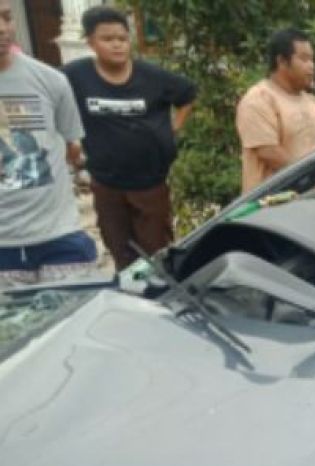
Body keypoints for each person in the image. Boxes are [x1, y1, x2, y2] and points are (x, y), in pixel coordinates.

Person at [63, 6, 196, 269]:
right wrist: (69, 142)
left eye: (122, 39)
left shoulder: (152, 76)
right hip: (106, 182)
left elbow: (188, 94)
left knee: (157, 253)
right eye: (108, 39)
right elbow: (53, 96)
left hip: (150, 183)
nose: (117, 46)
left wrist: (173, 129)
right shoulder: (76, 75)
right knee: (119, 249)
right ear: (90, 42)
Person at [0, 0, 100, 287]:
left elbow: (73, 148)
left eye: (7, 17)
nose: (2, 28)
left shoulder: (51, 80)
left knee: (74, 325)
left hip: (60, 237)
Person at [236, 29, 315, 193]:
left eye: (312, 59)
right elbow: (269, 152)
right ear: (282, 61)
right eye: (304, 59)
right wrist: (312, 176)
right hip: (274, 210)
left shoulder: (314, 103)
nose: (312, 66)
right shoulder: (258, 99)